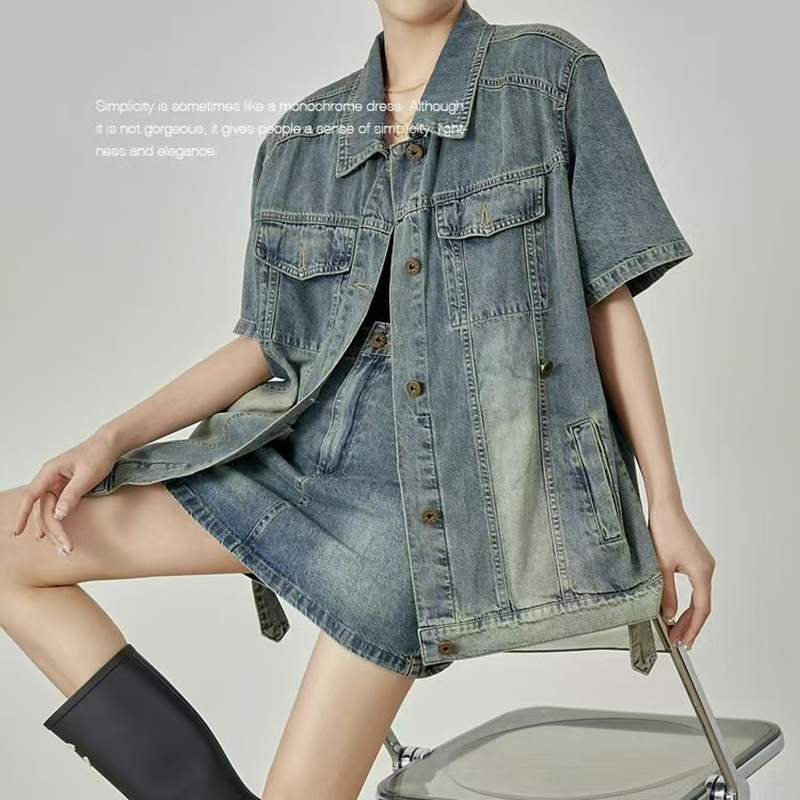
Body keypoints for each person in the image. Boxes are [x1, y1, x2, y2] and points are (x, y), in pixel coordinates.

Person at [0, 1, 715, 798]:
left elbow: (605, 300)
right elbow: (267, 344)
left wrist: (666, 503)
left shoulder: (548, 77)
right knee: (6, 542)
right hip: (297, 456)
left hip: (427, 510)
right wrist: (110, 438)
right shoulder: (304, 137)